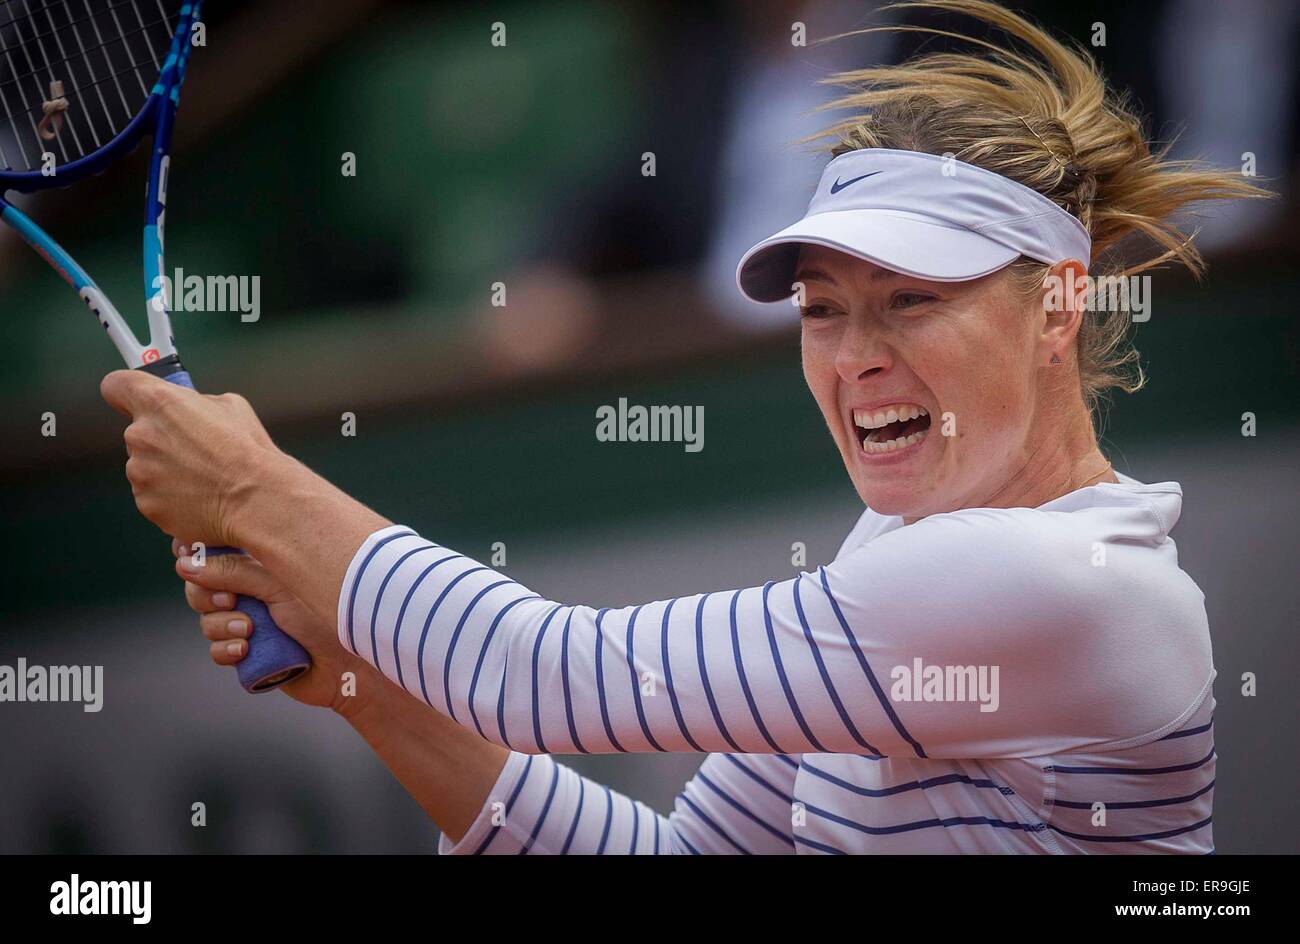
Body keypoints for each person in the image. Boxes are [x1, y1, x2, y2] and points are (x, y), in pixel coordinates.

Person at [101, 0, 1263, 854]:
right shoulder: (893, 561)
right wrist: (365, 678)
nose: (857, 354)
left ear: (1060, 298)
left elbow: (543, 672)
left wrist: (252, 487)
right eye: (821, 310)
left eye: (912, 299)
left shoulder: (1079, 588)